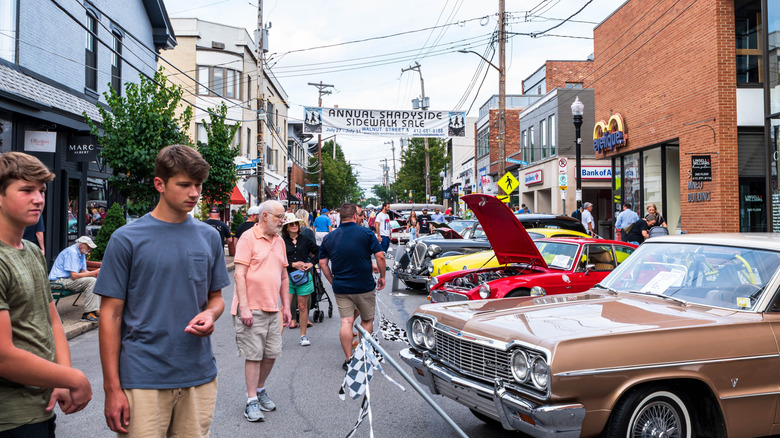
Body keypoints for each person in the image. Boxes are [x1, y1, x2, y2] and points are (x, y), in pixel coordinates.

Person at [96, 145, 230, 436]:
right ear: (160, 184)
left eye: (198, 185)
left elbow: (216, 298)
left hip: (199, 375)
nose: (194, 193)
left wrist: (211, 313)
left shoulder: (209, 237)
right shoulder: (126, 239)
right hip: (142, 377)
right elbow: (110, 315)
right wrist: (112, 388)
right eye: (184, 184)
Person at [0, 152, 92, 436]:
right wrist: (73, 377)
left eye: (41, 190)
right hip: (10, 418)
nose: (38, 199)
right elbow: (3, 355)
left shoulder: (31, 253)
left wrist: (61, 378)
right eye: (26, 190)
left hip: (42, 409)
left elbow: (53, 322)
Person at [232, 200, 291, 423]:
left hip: (272, 307)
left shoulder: (280, 241)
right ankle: (251, 402)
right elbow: (239, 274)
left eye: (283, 217)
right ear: (264, 216)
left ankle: (260, 389)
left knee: (271, 353)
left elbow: (284, 277)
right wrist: (244, 307)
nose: (282, 221)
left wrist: (286, 306)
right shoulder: (248, 238)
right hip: (252, 308)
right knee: (254, 356)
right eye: (279, 217)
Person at [318, 203, 385, 371]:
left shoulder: (330, 237)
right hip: (364, 286)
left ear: (340, 217)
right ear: (355, 216)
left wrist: (332, 280)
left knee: (346, 322)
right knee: (367, 320)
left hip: (342, 286)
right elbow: (380, 256)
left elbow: (322, 263)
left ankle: (348, 360)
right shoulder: (366, 233)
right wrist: (383, 276)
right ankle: (362, 356)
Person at [282, 213, 319, 344]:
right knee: (284, 307)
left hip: (303, 277)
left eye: (296, 223)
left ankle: (303, 335)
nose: (294, 226)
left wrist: (312, 263)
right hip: (286, 277)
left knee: (303, 307)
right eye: (291, 224)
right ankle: (277, 339)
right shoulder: (281, 241)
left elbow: (319, 251)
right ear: (286, 227)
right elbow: (277, 259)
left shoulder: (305, 239)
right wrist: (292, 264)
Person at [48, 236, 101, 322]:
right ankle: (87, 314)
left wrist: (95, 274)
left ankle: (95, 309)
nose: (90, 249)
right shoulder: (72, 252)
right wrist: (94, 273)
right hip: (58, 281)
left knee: (95, 280)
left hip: (67, 280)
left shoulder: (82, 253)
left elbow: (83, 271)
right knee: (91, 281)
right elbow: (74, 275)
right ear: (81, 245)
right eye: (88, 246)